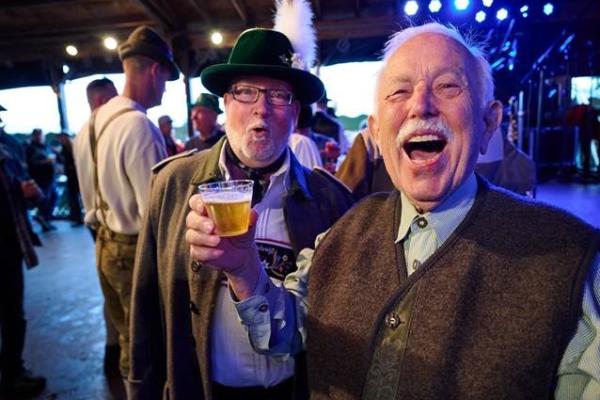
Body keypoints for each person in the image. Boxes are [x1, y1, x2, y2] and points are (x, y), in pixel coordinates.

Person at [185, 22, 600, 399]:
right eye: (399, 92)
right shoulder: (345, 230)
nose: (420, 106)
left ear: (490, 122)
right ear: (378, 131)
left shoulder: (570, 262)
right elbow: (284, 334)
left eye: (448, 87)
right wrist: (244, 269)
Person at [128, 4, 354, 398]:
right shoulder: (174, 184)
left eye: (279, 96)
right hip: (205, 389)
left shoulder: (329, 200)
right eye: (245, 92)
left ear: (296, 111)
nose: (260, 108)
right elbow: (146, 307)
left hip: (295, 388)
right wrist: (140, 389)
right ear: (226, 104)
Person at [73, 25, 176, 381]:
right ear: (154, 70)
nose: (164, 87)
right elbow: (155, 212)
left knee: (124, 336)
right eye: (166, 78)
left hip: (102, 244)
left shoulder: (90, 124)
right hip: (133, 251)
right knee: (146, 345)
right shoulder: (138, 126)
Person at [73, 76, 121, 377]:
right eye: (114, 97)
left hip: (97, 227)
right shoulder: (111, 130)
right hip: (118, 229)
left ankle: (111, 349)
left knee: (111, 293)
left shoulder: (81, 135)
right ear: (102, 100)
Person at [0, 142, 47, 397]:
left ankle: (12, 372)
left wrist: (28, 193)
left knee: (13, 316)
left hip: (8, 249)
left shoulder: (8, 155)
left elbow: (30, 196)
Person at [26, 128, 57, 231]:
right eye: (37, 135)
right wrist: (45, 162)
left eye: (41, 135)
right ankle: (43, 219)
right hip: (40, 179)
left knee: (53, 198)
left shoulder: (47, 147)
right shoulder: (31, 148)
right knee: (44, 200)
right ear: (34, 136)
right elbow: (31, 164)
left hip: (50, 178)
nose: (39, 137)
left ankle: (45, 220)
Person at [56, 132, 83, 225]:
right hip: (71, 177)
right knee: (74, 199)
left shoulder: (72, 148)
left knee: (76, 198)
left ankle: (78, 218)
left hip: (75, 177)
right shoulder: (65, 149)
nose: (60, 140)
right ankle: (77, 217)